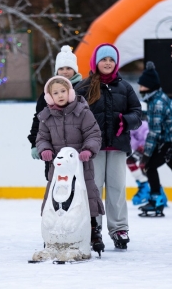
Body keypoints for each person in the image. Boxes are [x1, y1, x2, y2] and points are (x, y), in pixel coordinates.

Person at [74, 43, 142, 249]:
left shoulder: (125, 87)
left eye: (111, 59)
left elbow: (137, 113)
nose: (107, 63)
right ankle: (93, 228)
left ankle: (119, 228)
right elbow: (73, 114)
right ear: (96, 62)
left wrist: (125, 120)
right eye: (104, 59)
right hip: (91, 148)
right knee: (93, 189)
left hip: (118, 146)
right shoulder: (84, 87)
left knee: (117, 189)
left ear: (116, 63)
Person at [36, 76, 105, 256]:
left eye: (63, 91)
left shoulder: (83, 112)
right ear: (49, 97)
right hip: (58, 168)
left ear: (70, 92)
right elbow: (41, 138)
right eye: (55, 93)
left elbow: (94, 133)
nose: (60, 95)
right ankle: (54, 233)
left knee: (86, 195)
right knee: (56, 198)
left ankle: (93, 230)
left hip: (81, 166)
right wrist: (45, 149)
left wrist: (88, 150)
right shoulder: (46, 117)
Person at [138, 61, 172, 217]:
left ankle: (156, 200)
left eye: (142, 85)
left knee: (149, 166)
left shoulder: (156, 103)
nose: (139, 87)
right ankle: (156, 199)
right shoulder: (158, 97)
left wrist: (146, 156)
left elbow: (154, 132)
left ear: (149, 86)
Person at [28, 45, 83, 180]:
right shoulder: (48, 92)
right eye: (61, 68)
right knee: (56, 185)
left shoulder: (84, 90)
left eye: (69, 68)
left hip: (78, 149)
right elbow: (39, 119)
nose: (65, 72)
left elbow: (91, 121)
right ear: (57, 70)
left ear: (75, 70)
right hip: (54, 149)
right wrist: (35, 143)